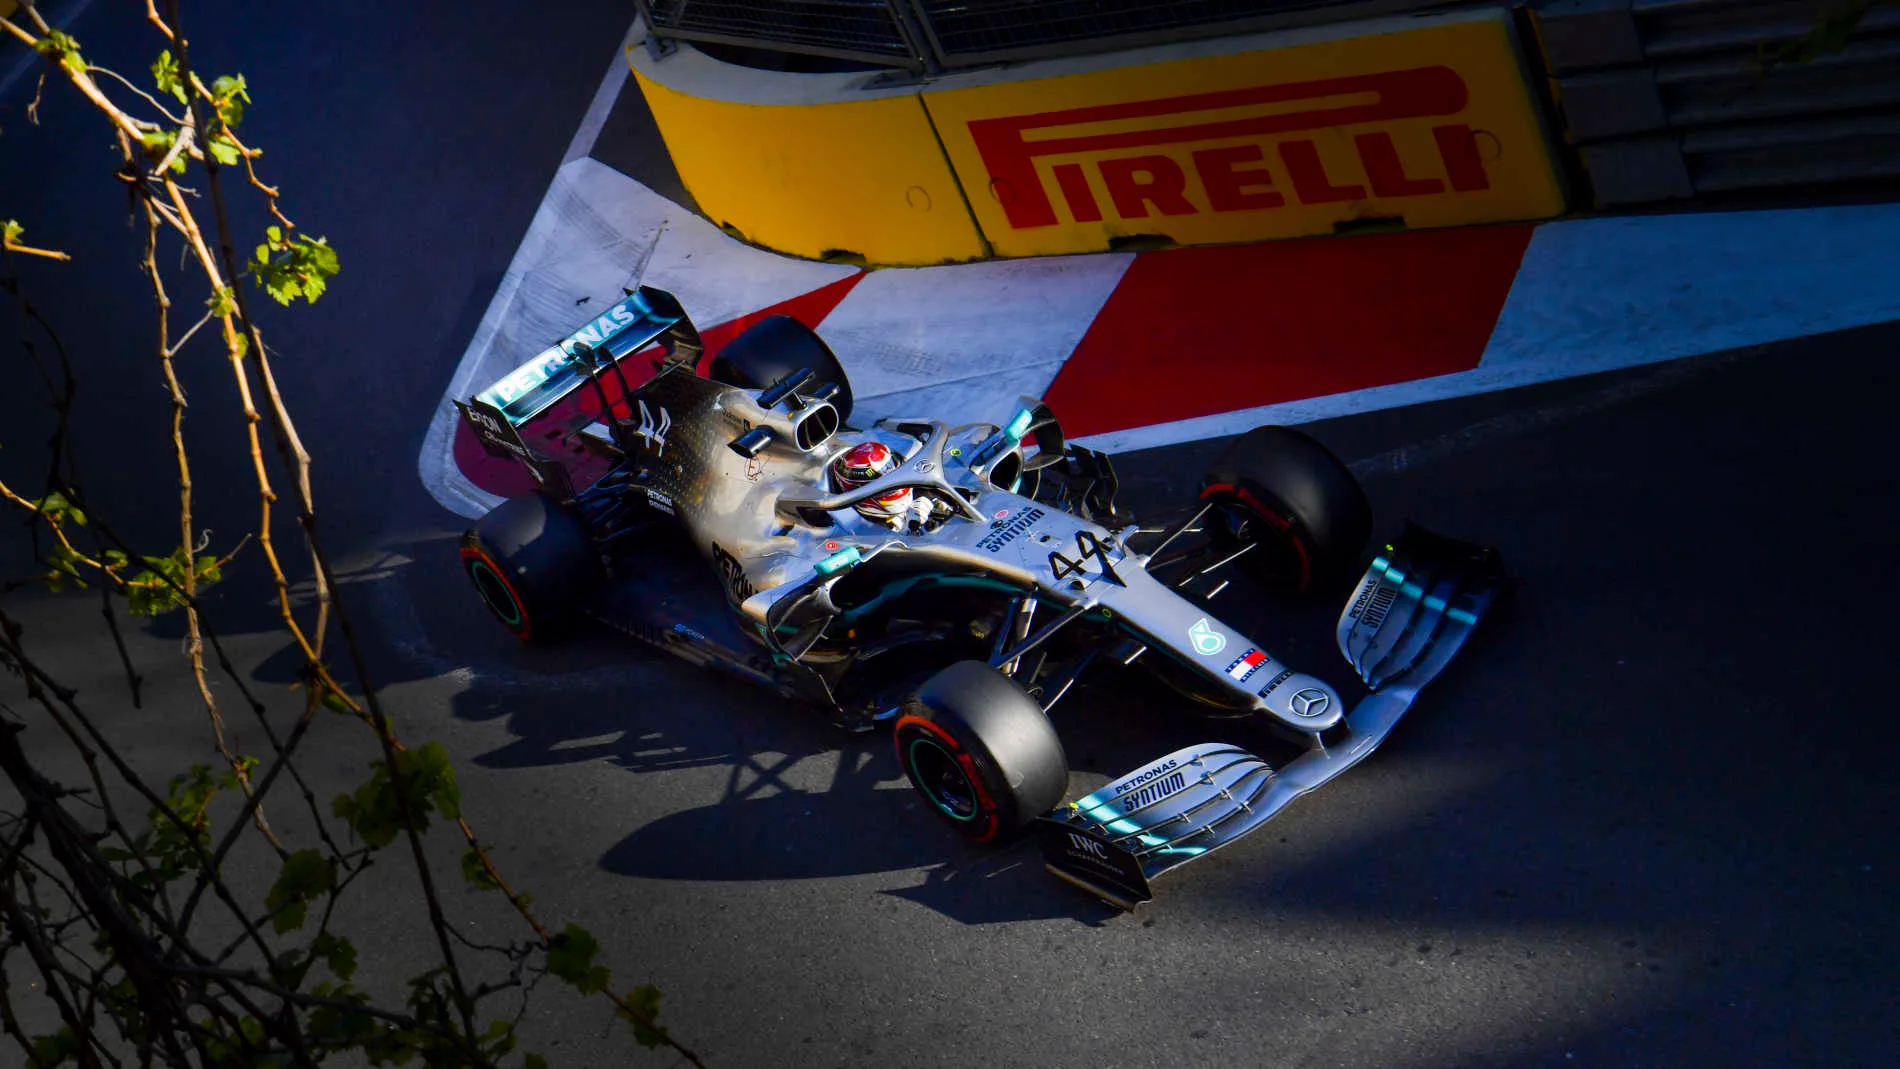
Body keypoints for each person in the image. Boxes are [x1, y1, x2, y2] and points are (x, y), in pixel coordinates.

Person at [829, 441, 913, 530]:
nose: (897, 484)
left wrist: (925, 497)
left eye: (897, 475)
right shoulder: (862, 533)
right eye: (887, 488)